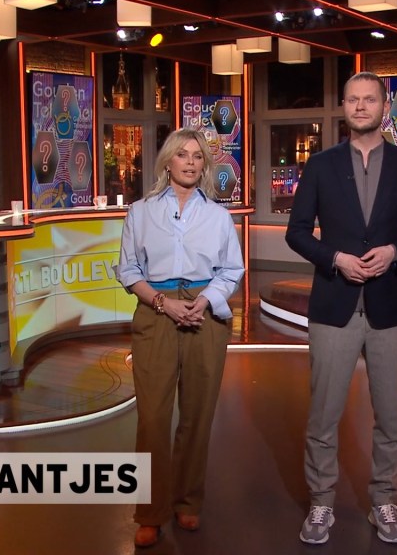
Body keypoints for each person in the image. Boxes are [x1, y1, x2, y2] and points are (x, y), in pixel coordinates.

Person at [285, 72, 397, 545]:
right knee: (323, 416)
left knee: (390, 416)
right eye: (352, 99)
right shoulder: (320, 165)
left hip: (389, 307)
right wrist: (334, 258)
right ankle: (321, 503)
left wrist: (395, 252)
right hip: (334, 305)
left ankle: (384, 500)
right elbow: (297, 232)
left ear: (384, 106)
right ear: (345, 107)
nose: (359, 106)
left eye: (368, 99)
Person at [116, 128, 245, 549]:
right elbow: (129, 270)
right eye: (182, 154)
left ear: (204, 164)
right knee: (152, 418)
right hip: (156, 311)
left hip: (205, 314)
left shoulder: (218, 217)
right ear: (167, 161)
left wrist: (204, 301)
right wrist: (162, 303)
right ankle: (150, 512)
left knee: (197, 414)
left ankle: (188, 500)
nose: (190, 162)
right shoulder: (140, 212)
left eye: (197, 156)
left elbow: (232, 270)